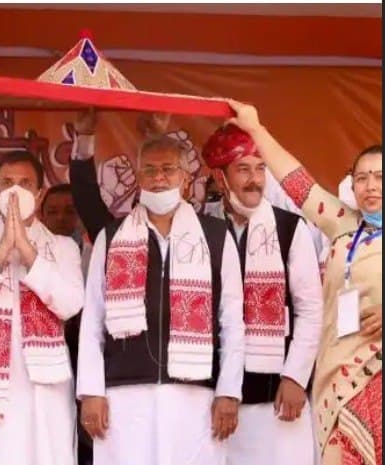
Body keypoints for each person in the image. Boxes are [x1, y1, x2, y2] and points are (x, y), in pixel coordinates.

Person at [226, 99, 382, 465]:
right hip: (338, 381)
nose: (370, 186)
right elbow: (299, 184)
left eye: (380, 176)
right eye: (362, 178)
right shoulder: (344, 224)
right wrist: (255, 129)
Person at [77, 135, 246, 465]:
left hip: (195, 395)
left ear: (185, 178)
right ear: (139, 177)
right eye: (150, 170)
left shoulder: (215, 235)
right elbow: (93, 319)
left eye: (168, 169)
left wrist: (229, 391)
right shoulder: (112, 236)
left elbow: (231, 321)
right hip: (124, 395)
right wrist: (91, 391)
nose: (158, 178)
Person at [0, 150, 85, 465]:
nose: (15, 190)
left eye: (25, 183)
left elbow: (70, 304)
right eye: (8, 183)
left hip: (45, 389)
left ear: (39, 194)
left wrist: (26, 250)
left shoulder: (62, 248)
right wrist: (1, 252)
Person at [201, 124, 323, 465]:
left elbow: (311, 309)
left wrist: (295, 376)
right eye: (243, 169)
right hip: (216, 397)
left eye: (260, 169)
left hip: (277, 396)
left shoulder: (289, 228)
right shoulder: (201, 230)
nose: (255, 180)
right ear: (220, 177)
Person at [40, 182, 94, 465]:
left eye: (70, 211)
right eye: (52, 212)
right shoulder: (31, 256)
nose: (61, 218)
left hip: (90, 356)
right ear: (41, 216)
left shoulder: (95, 250)